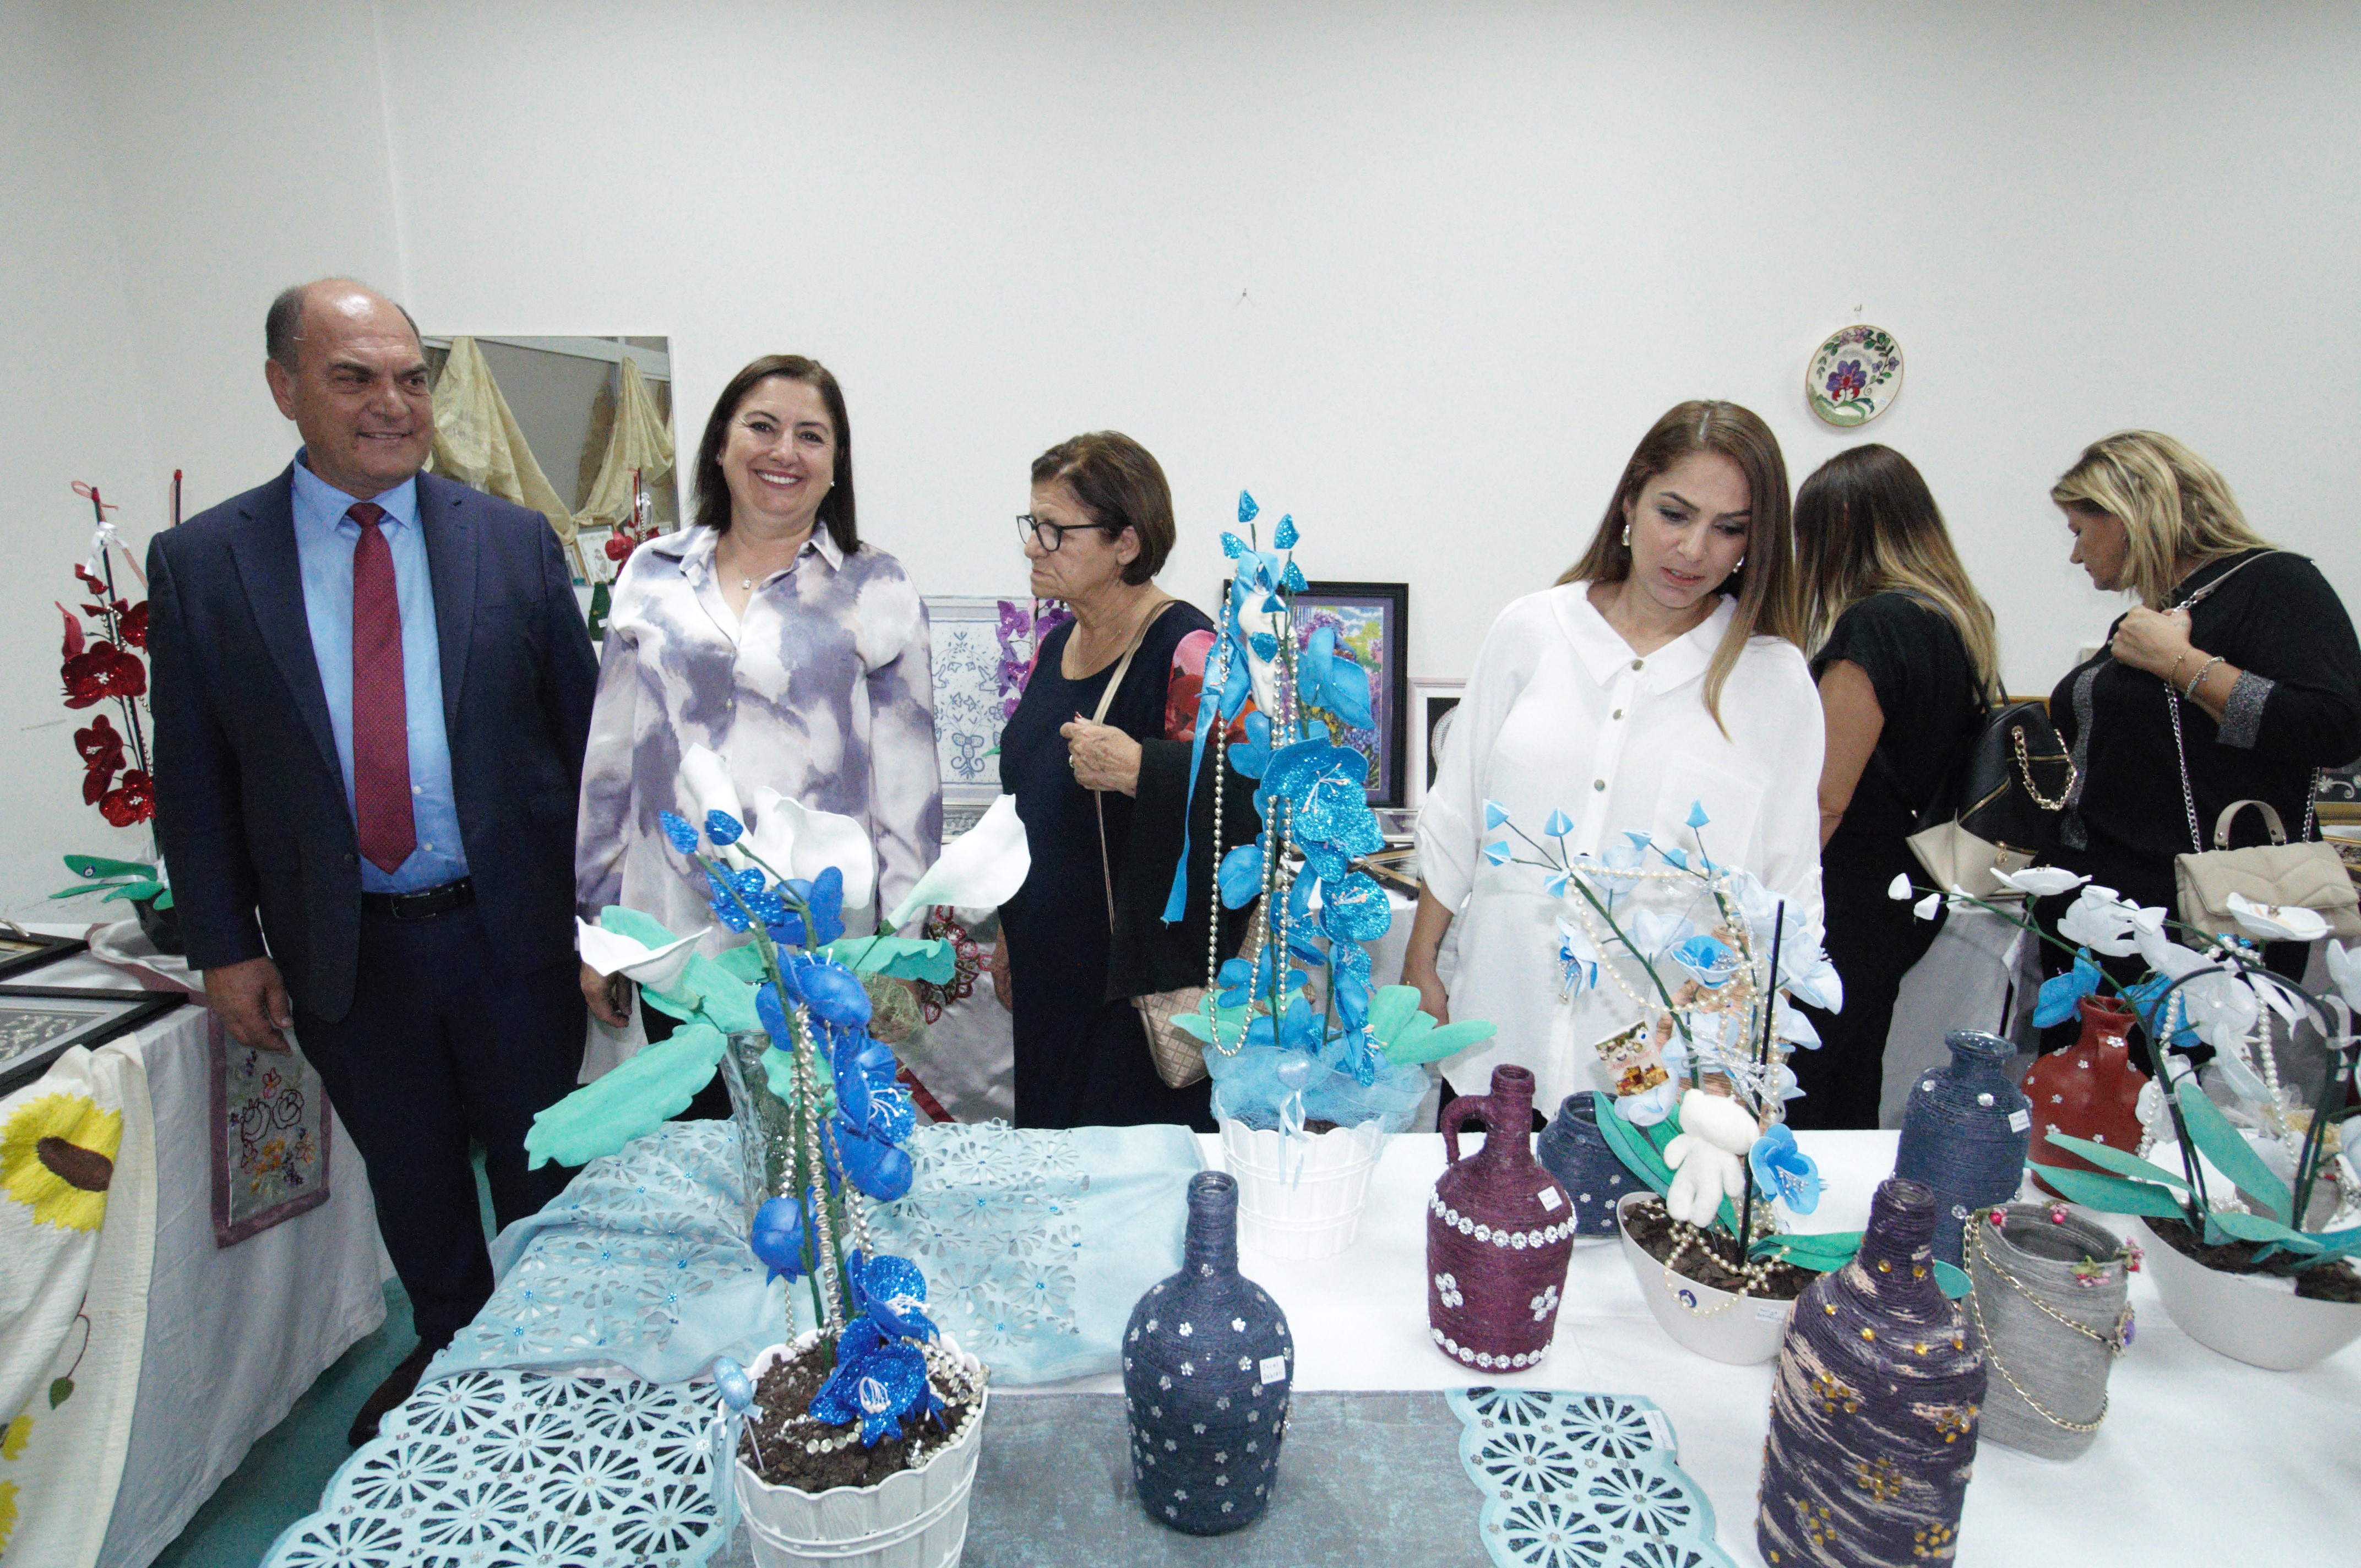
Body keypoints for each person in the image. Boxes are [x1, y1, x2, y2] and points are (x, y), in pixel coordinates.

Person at [148, 278, 598, 1443]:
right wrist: (224, 946)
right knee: (412, 1177)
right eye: (353, 378)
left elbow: (589, 744)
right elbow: (193, 777)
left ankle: (553, 1375)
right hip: (347, 949)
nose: (392, 404)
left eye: (410, 378)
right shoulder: (206, 562)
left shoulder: (509, 541)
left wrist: (607, 922)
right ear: (284, 387)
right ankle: (451, 1360)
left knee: (544, 1168)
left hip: (512, 936)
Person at [1402, 400, 1825, 1120]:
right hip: (1497, 1029)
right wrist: (1421, 962)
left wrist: (1741, 1056)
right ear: (1630, 501)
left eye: (1728, 528)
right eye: (1674, 513)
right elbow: (1458, 810)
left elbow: (1788, 892)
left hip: (1654, 1069)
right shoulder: (1532, 631)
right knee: (1487, 1189)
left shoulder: (1772, 680)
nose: (1692, 550)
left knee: (1621, 1188)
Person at [575, 355, 941, 1041]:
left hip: (817, 945)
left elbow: (907, 791)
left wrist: (898, 949)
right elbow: (610, 765)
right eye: (762, 427)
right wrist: (598, 929)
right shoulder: (651, 574)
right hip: (668, 941)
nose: (784, 451)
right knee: (686, 1109)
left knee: (803, 1114)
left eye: (811, 436)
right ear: (721, 444)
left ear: (836, 464)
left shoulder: (877, 586)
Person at [2037, 430, 2361, 1009]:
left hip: (2206, 920)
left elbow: (2334, 727)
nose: (2076, 555)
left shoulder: (2275, 583)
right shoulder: (2164, 611)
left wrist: (2181, 664)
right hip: (2109, 907)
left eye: (2079, 530)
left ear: (2126, 515)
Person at [989, 432, 1256, 1129]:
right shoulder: (1057, 644)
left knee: (1129, 1177)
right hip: (1051, 981)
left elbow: (1258, 803)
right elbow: (1035, 804)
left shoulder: (1191, 650)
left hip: (1133, 1000)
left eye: (1055, 530)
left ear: (1126, 544)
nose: (1033, 546)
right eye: (1032, 525)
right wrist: (1012, 930)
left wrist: (1144, 770)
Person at [1786, 445, 1995, 1129]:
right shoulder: (1959, 620)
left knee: (1802, 1074)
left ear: (1843, 521)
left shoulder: (1874, 624)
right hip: (1908, 886)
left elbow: (1826, 796)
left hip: (1845, 888)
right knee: (1853, 1064)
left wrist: (1774, 889)